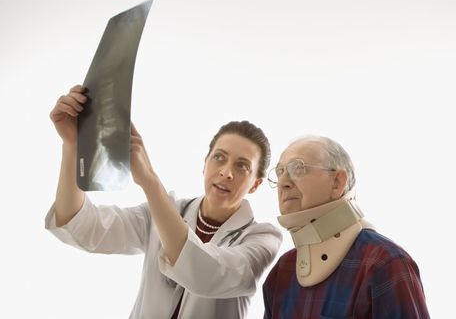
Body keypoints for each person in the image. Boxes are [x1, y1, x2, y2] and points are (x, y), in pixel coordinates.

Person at [45, 85, 282, 319]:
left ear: (255, 184)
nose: (226, 172)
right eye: (219, 158)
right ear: (205, 163)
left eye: (242, 166)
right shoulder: (164, 212)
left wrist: (150, 183)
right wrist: (73, 146)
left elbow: (207, 274)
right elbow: (82, 226)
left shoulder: (263, 238)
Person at [263, 136, 430, 319]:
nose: (283, 183)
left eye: (298, 168)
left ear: (337, 182)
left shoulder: (386, 263)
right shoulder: (282, 271)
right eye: (280, 172)